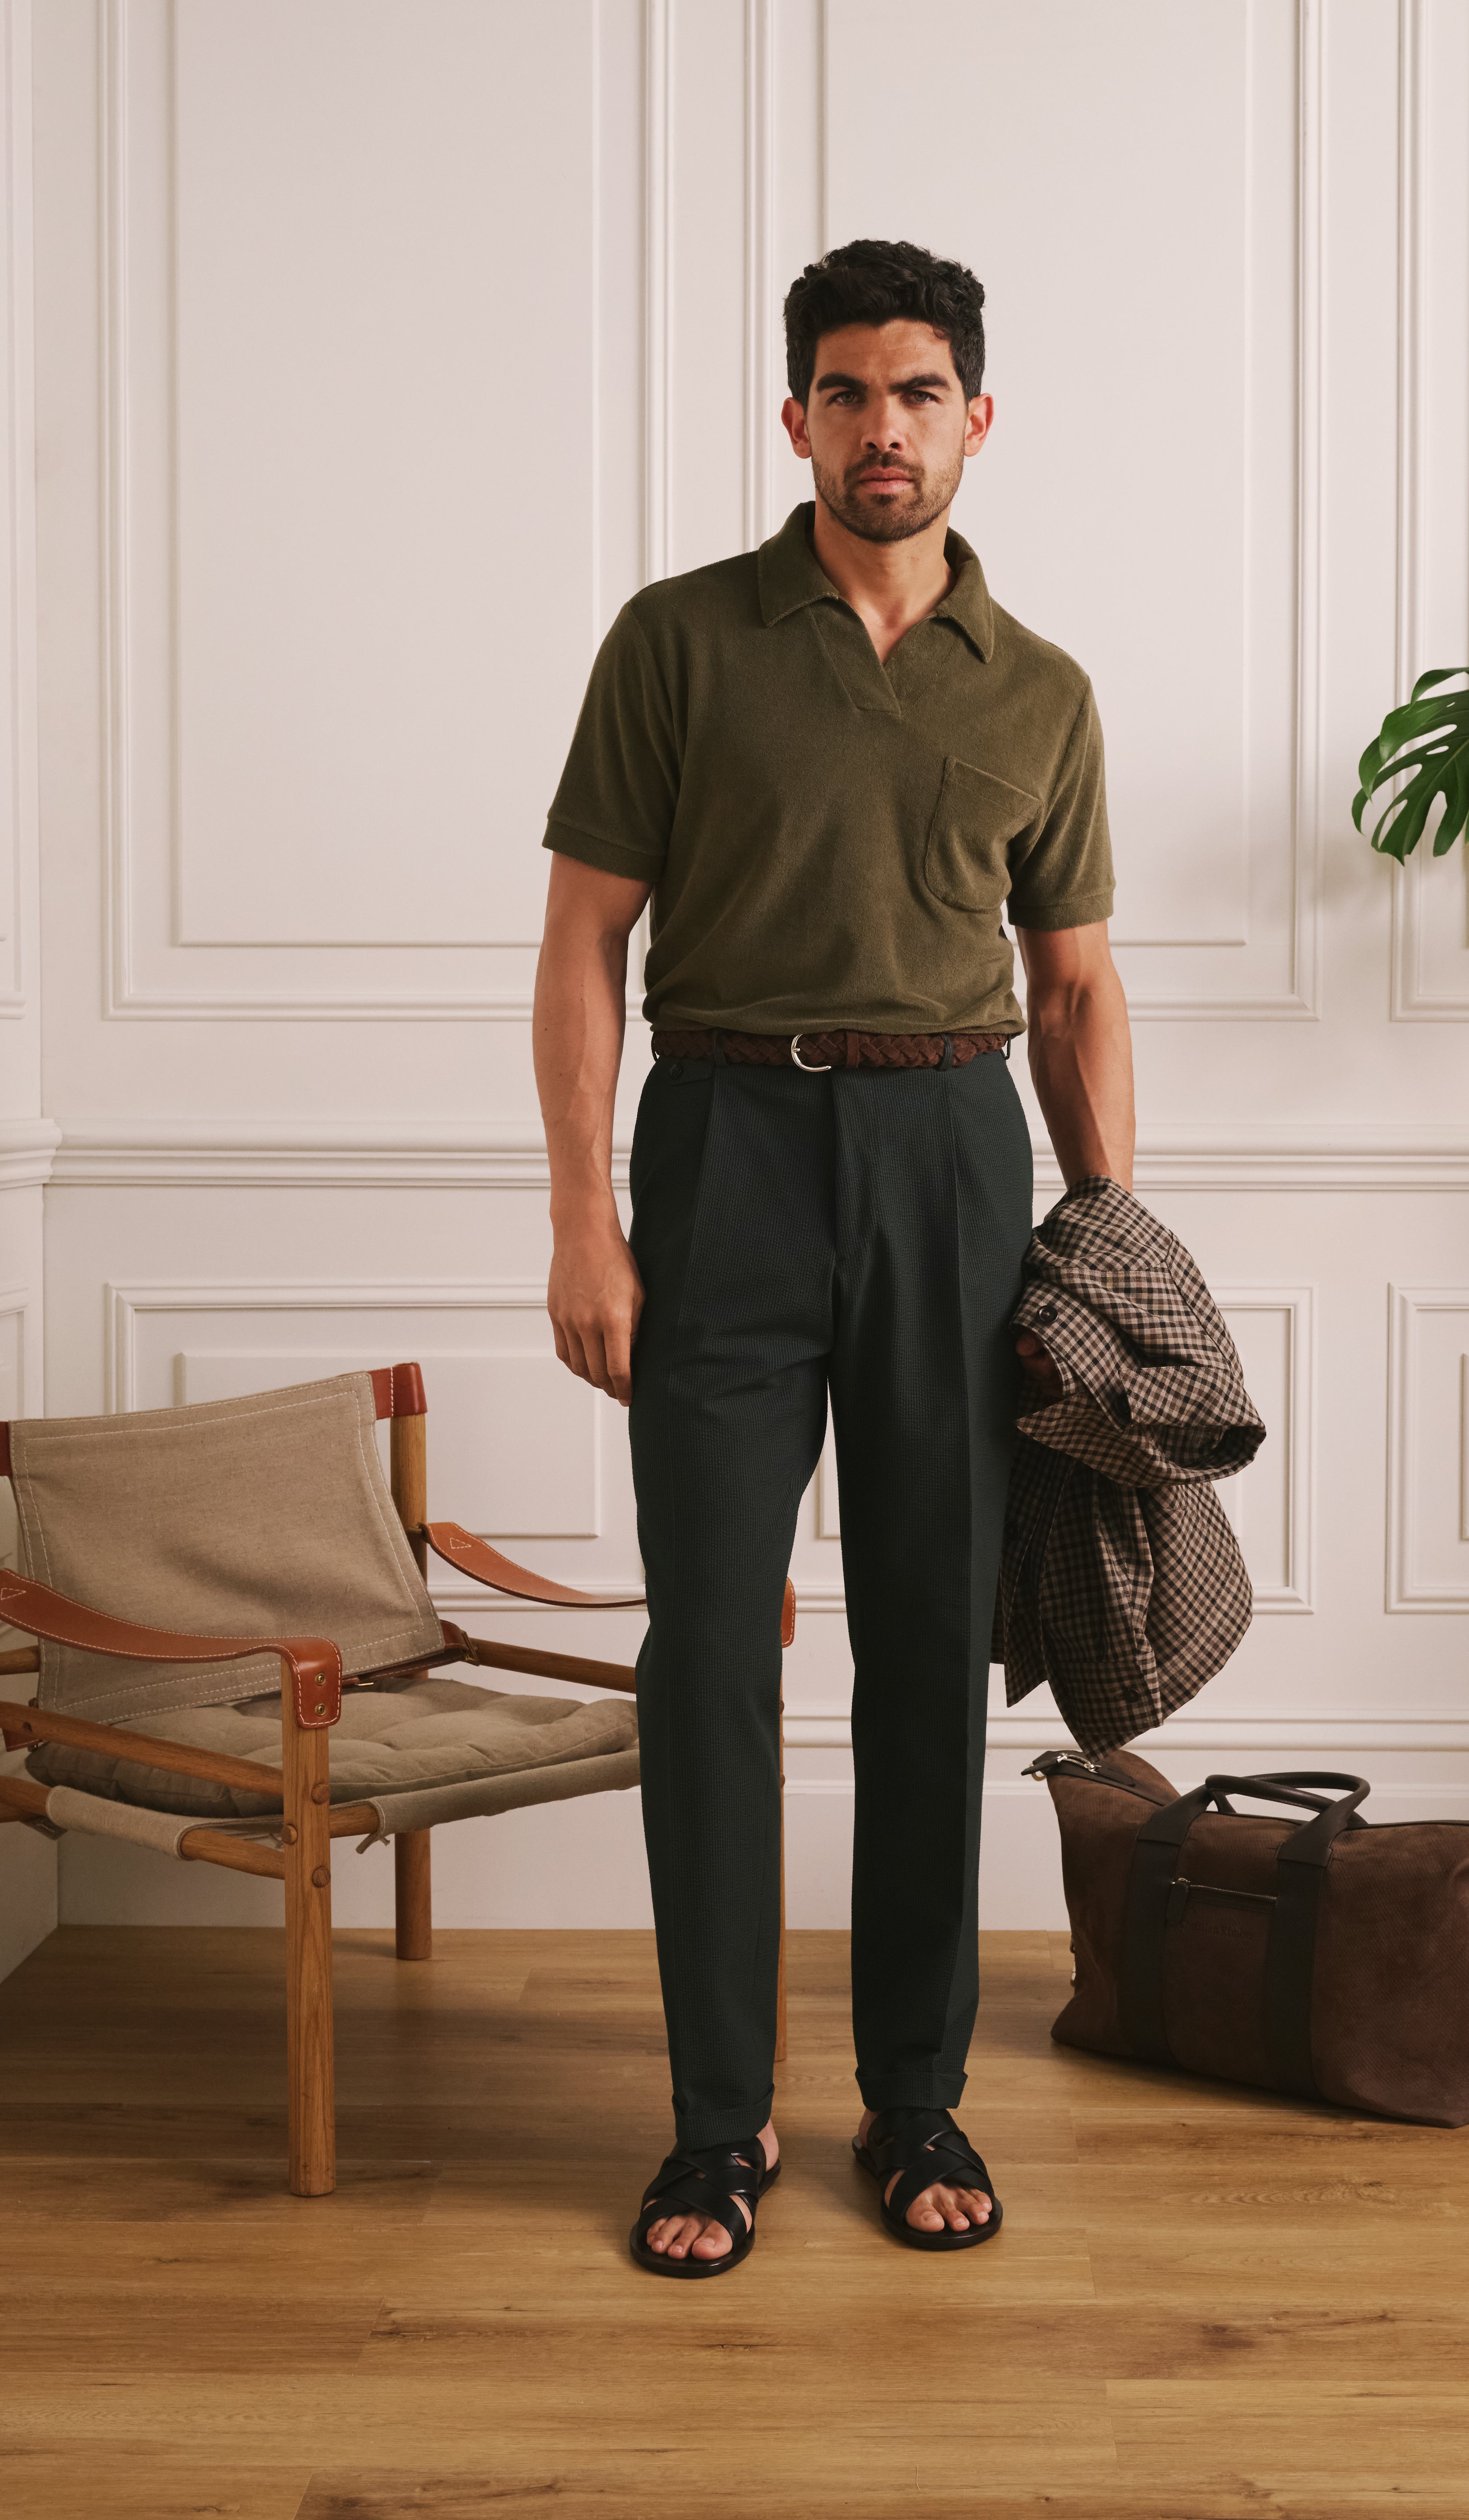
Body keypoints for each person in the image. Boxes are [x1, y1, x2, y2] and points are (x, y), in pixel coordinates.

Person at [532, 237, 1134, 2275]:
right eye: (850, 393)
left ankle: (915, 2096)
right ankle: (719, 2125)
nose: (887, 429)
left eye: (921, 393)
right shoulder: (678, 642)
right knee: (709, 1647)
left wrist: (1101, 1234)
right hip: (722, 1148)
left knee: (928, 1652)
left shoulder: (1039, 689)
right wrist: (584, 1216)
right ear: (795, 417)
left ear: (979, 419)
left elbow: (1073, 989)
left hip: (954, 1158)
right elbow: (583, 943)